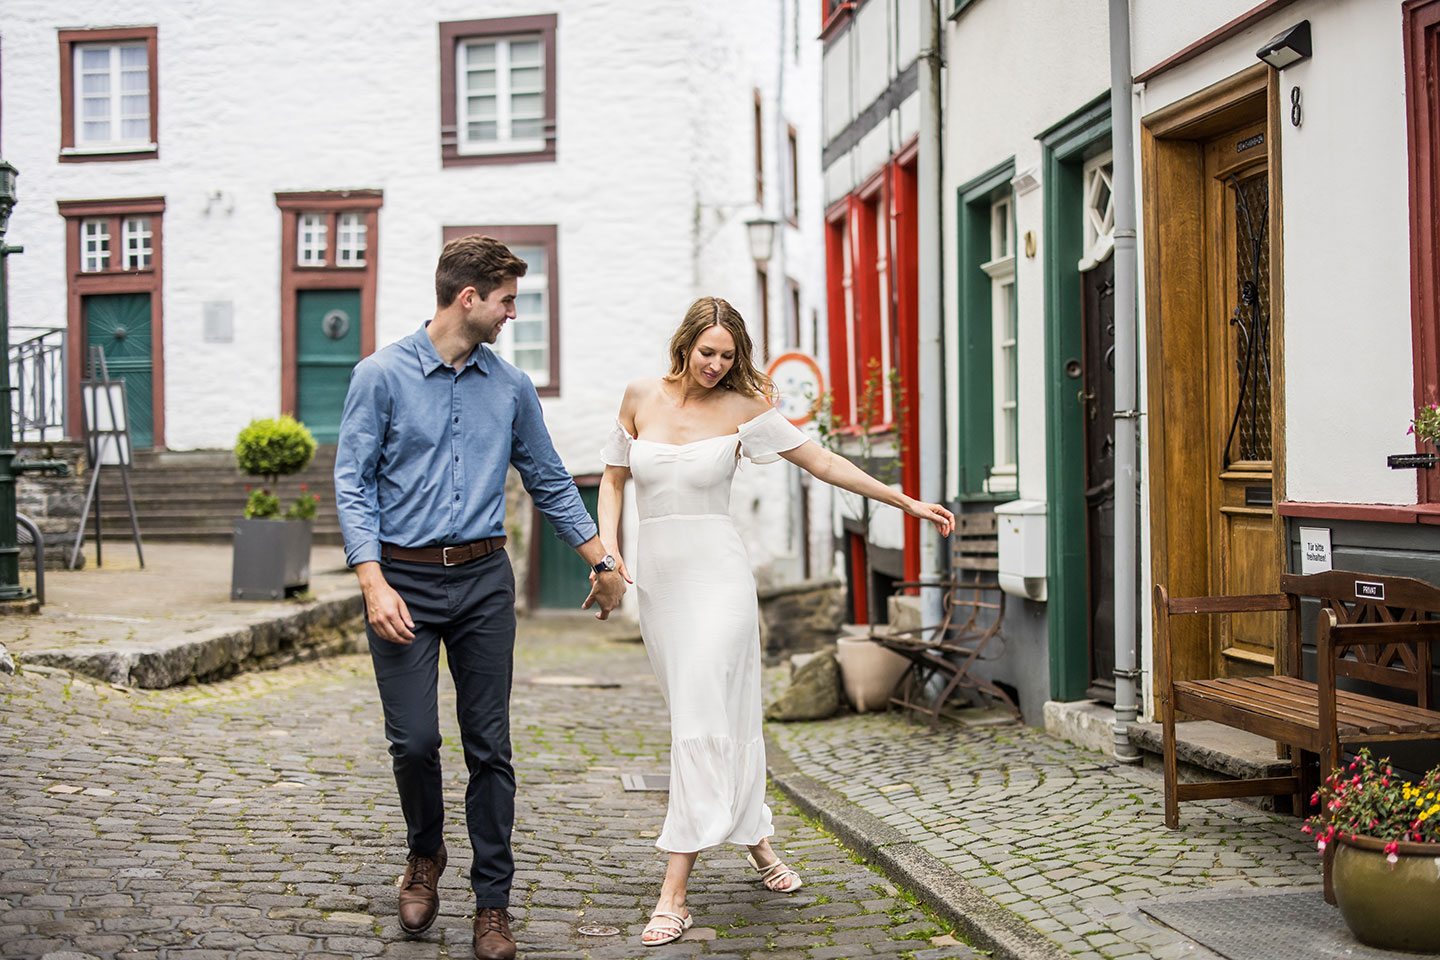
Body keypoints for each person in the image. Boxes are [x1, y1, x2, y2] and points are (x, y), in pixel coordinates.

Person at [596, 296, 954, 946]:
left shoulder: (745, 409)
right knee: (712, 716)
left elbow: (822, 461)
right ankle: (757, 838)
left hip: (721, 580)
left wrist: (901, 498)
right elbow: (614, 480)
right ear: (686, 346)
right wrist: (611, 554)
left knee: (703, 718)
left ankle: (673, 894)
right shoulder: (640, 396)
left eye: (728, 356)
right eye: (707, 353)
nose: (715, 365)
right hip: (662, 585)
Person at [335, 234, 627, 960]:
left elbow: (550, 478)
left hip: (483, 582)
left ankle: (492, 904)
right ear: (470, 298)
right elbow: (352, 482)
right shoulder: (379, 376)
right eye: (506, 301)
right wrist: (371, 579)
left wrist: (602, 560)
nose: (511, 315)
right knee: (414, 741)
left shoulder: (512, 387)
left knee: (489, 745)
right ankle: (424, 854)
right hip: (401, 579)